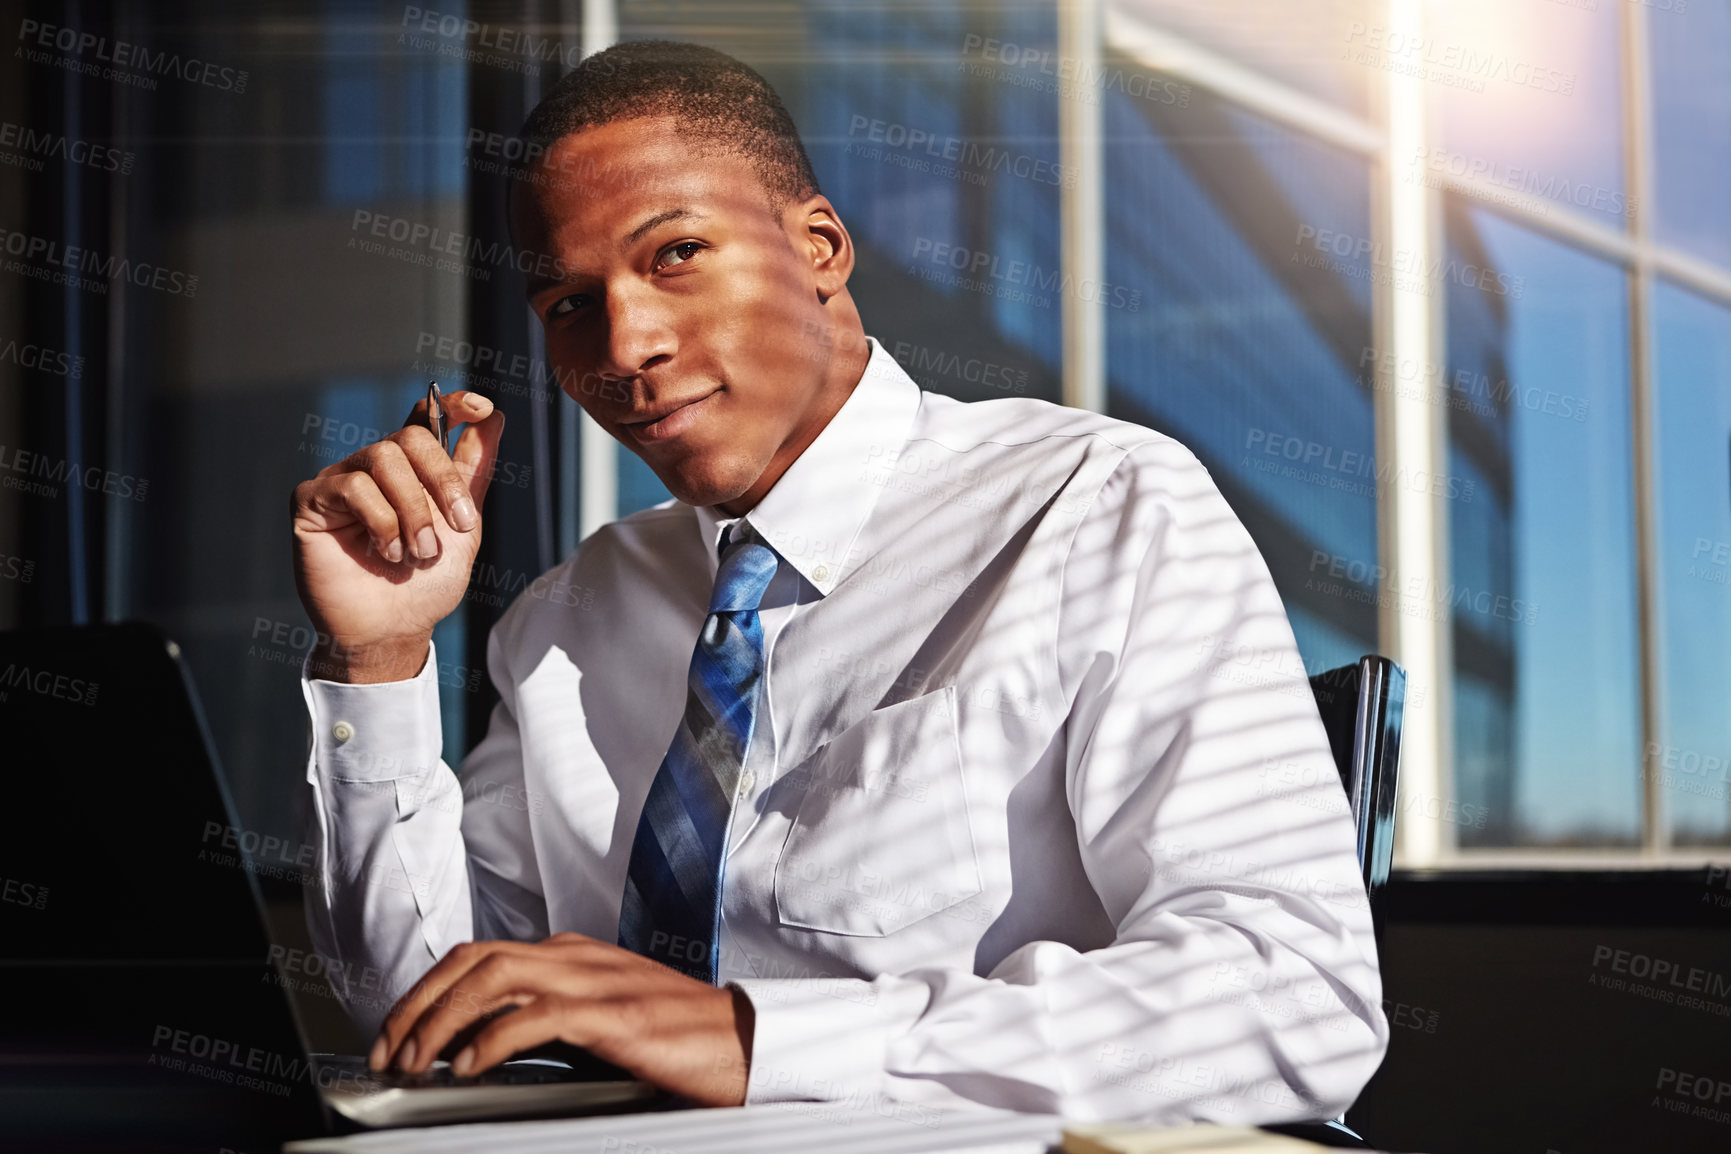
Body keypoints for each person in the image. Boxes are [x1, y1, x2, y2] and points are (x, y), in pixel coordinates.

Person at [289, 39, 1388, 1124]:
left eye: (674, 254)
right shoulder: (568, 617)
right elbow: (427, 1018)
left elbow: (1297, 999)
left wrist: (750, 1037)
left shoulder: (1099, 504)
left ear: (819, 245)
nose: (624, 344)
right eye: (569, 303)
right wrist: (377, 661)